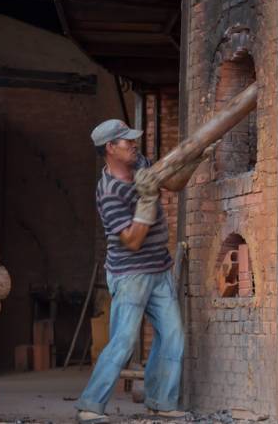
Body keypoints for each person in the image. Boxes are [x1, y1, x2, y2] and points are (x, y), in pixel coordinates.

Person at [76, 119, 211, 424]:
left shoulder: (141, 165)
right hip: (130, 274)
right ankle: (90, 405)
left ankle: (160, 401)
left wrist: (194, 160)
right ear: (110, 148)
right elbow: (133, 241)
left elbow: (173, 183)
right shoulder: (109, 192)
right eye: (127, 142)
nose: (134, 145)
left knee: (173, 334)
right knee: (123, 341)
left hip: (159, 267)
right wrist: (148, 200)